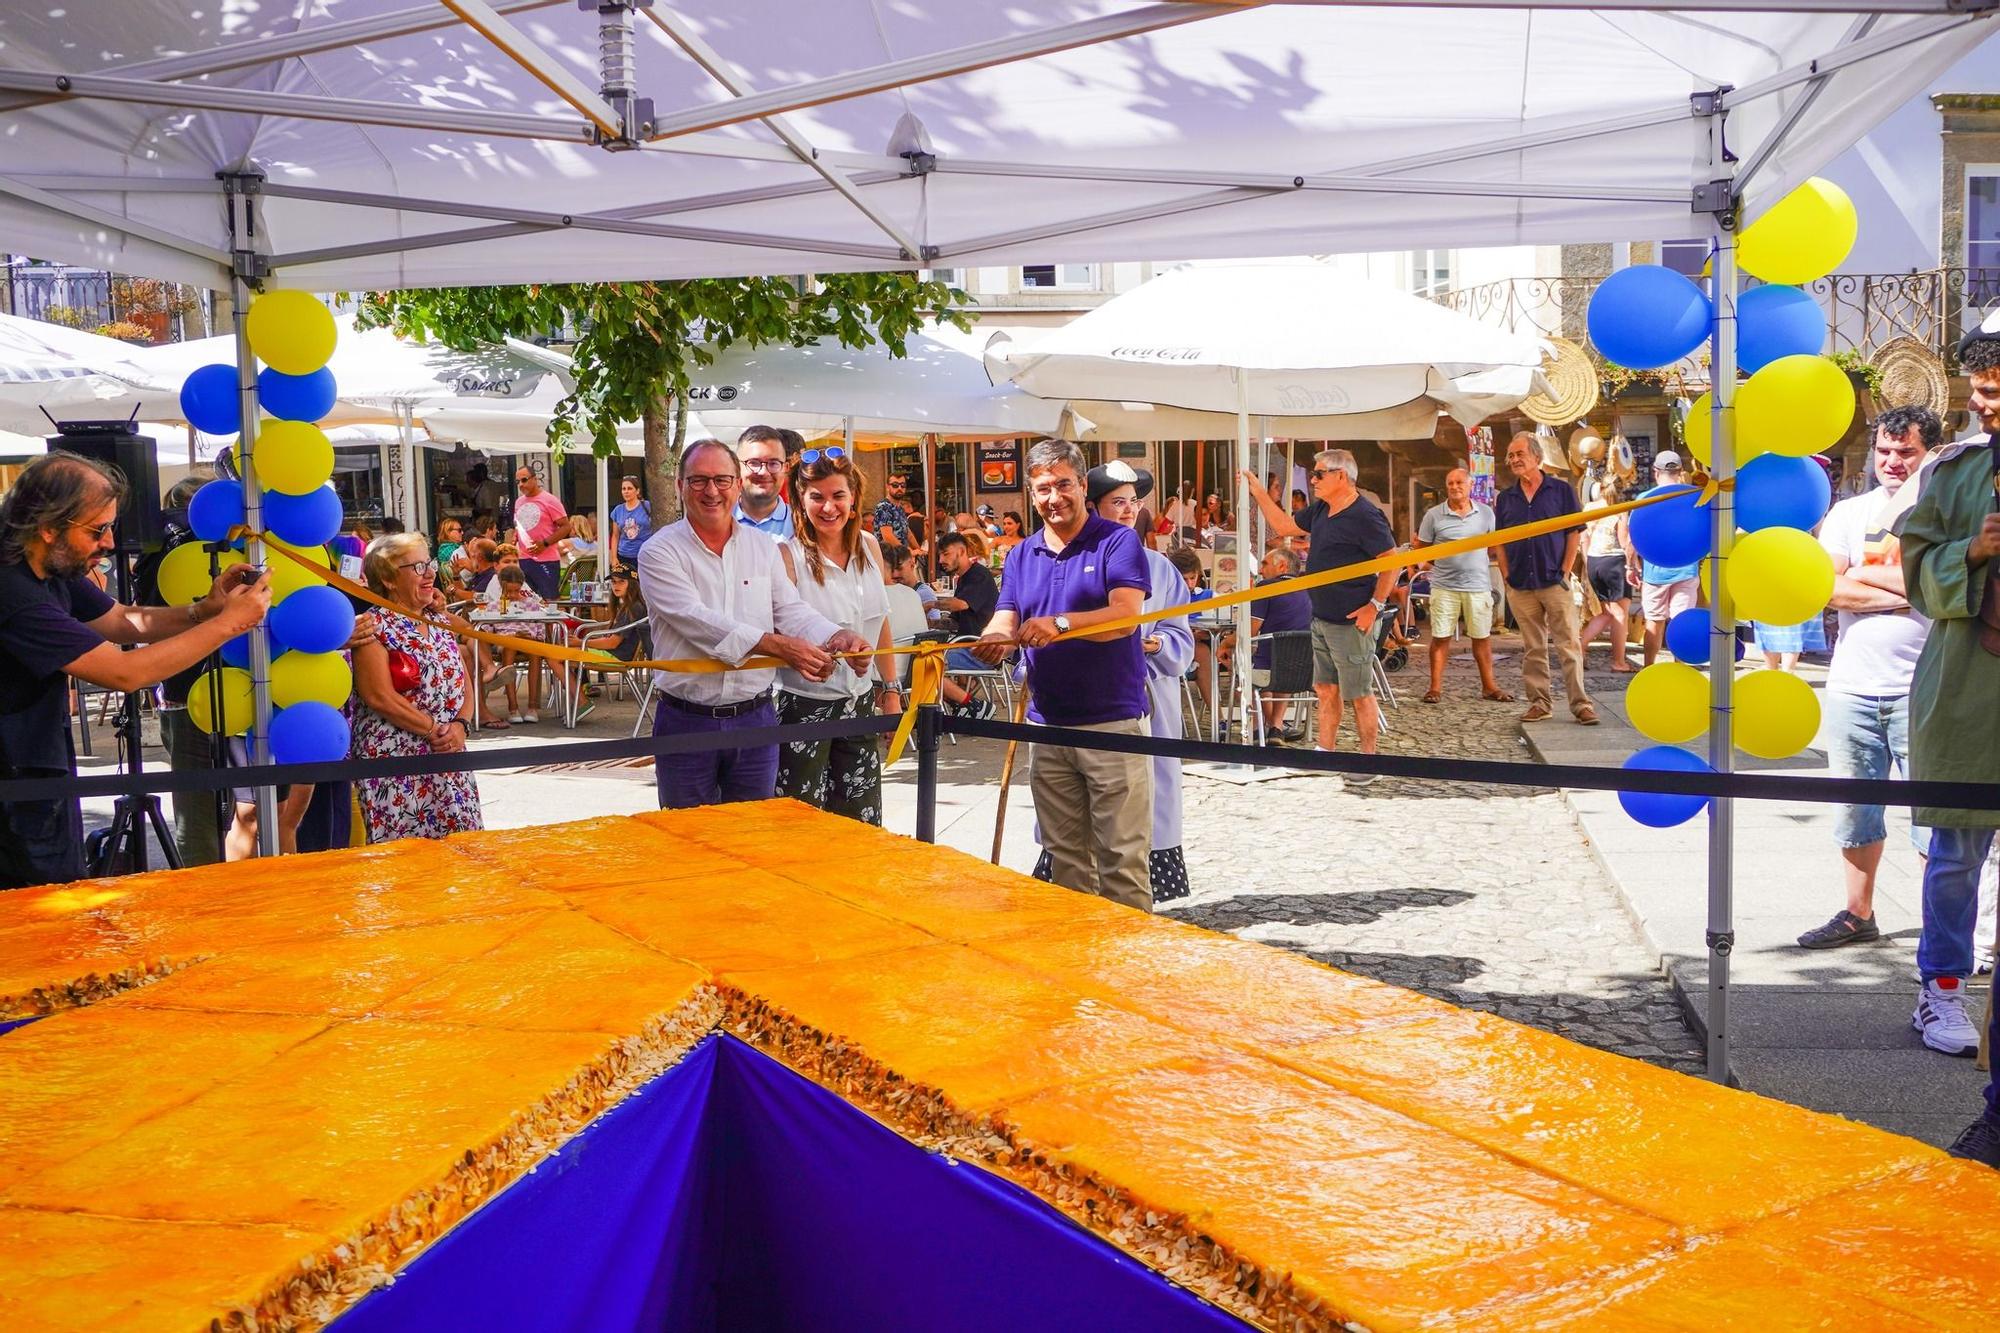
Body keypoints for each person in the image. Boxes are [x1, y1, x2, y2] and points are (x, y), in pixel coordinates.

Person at [0, 453, 270, 887]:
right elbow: (125, 672)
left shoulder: (50, 566)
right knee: (40, 910)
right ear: (48, 527)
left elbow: (123, 620)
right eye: (97, 529)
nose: (108, 543)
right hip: (15, 784)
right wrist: (230, 623)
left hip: (39, 767)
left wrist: (204, 609)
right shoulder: (14, 592)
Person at [637, 440, 867, 809]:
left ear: (737, 484)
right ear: (680, 484)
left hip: (755, 719)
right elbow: (695, 620)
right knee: (688, 841)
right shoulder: (659, 551)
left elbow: (789, 609)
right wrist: (778, 647)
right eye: (698, 480)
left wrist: (835, 635)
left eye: (722, 480)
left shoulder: (762, 547)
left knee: (756, 839)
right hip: (686, 720)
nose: (711, 491)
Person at [973, 439, 1152, 910]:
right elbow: (1006, 616)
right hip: (1046, 724)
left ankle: (1132, 971)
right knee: (1066, 860)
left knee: (1122, 860)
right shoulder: (1021, 553)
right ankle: (1078, 967)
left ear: (1082, 485)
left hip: (1112, 723)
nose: (1055, 498)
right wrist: (990, 639)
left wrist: (1061, 625)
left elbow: (1125, 617)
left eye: (1064, 485)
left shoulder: (1117, 539)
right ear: (1032, 495)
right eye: (1043, 489)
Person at [1898, 334, 2000, 1116]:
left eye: (1995, 387)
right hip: (1969, 685)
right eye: (1979, 387)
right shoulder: (1955, 470)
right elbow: (1915, 570)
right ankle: (1940, 987)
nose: (1984, 401)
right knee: (1958, 851)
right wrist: (1970, 548)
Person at [1797, 406, 1940, 954]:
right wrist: (1915, 591)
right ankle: (1859, 914)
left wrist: (1864, 576)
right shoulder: (1848, 513)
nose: (1892, 462)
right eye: (1884, 451)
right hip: (1854, 686)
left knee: (1933, 814)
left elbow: (1949, 583)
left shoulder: (1940, 512)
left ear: (1928, 453)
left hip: (1922, 688)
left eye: (1905, 452)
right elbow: (1826, 589)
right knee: (1857, 811)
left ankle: (1941, 925)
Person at [1037, 461, 1194, 901]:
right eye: (1117, 503)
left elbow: (1180, 635)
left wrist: (1156, 645)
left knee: (1133, 818)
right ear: (1094, 507)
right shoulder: (1065, 557)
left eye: (1133, 502)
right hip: (1072, 703)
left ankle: (1131, 905)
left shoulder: (1161, 568)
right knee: (1071, 824)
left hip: (1141, 701)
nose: (1128, 511)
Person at [1242, 451, 1397, 778]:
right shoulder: (1323, 509)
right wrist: (1258, 492)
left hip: (1351, 620)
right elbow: (1284, 525)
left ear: (1342, 476)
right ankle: (1325, 753)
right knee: (1326, 689)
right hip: (1322, 618)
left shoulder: (1365, 516)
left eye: (1320, 474)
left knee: (1359, 692)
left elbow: (1390, 560)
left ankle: (1369, 761)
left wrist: (1375, 606)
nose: (1312, 480)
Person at [774, 448, 899, 824]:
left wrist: (891, 690)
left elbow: (881, 622)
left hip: (859, 704)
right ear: (800, 500)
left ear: (854, 497)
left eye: (837, 496)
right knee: (801, 823)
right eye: (817, 497)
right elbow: (783, 628)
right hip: (802, 707)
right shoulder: (787, 556)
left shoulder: (869, 546)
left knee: (860, 823)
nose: (828, 507)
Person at [351, 533, 482, 843]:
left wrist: (460, 726)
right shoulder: (374, 626)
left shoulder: (438, 620)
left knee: (465, 852)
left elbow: (462, 680)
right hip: (398, 760)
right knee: (406, 861)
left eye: (430, 564)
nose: (430, 573)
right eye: (418, 566)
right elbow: (379, 696)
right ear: (389, 578)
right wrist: (436, 730)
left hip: (450, 755)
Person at [1494, 432, 1599, 725]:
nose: (1514, 460)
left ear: (1537, 458)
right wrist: (1506, 575)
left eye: (1519, 454)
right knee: (1533, 648)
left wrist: (1565, 571)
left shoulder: (1561, 490)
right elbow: (1500, 541)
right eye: (1511, 455)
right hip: (1521, 584)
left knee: (1568, 644)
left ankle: (1581, 705)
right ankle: (1540, 703)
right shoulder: (1506, 498)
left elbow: (1574, 532)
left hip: (1554, 581)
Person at [1412, 466, 1511, 704]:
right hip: (1444, 585)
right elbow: (1422, 548)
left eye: (1459, 483)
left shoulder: (1486, 513)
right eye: (1450, 484)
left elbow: (1494, 545)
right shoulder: (1434, 515)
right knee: (1440, 637)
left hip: (1478, 585)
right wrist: (1442, 564)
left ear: (1469, 486)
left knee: (1482, 637)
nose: (1455, 487)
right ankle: (1434, 688)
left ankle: (1489, 686)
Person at [1637, 450, 1701, 666]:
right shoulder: (1694, 496)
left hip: (1655, 570)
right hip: (1686, 567)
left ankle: (1648, 668)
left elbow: (1634, 537)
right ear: (1680, 472)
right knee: (1680, 621)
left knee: (1654, 621)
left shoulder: (1644, 499)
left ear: (1656, 472)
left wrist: (1631, 565)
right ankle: (1679, 667)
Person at [1244, 543, 1313, 739]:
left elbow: (1250, 630)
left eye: (1265, 564)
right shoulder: (1309, 589)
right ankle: (1276, 725)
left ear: (1282, 567)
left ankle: (1261, 725)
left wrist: (1226, 643)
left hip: (1267, 672)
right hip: (1303, 671)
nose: (1260, 569)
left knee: (1240, 662)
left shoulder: (1266, 587)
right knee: (1281, 660)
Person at [933, 530, 1001, 720]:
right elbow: (956, 619)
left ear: (962, 552)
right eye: (940, 555)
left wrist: (931, 603)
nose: (940, 560)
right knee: (924, 658)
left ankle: (973, 705)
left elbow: (961, 604)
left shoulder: (978, 574)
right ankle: (961, 705)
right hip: (966, 645)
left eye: (946, 554)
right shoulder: (963, 578)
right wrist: (930, 623)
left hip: (982, 650)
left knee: (928, 665)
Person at [1577, 479, 1636, 673]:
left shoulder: (1589, 507)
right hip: (1615, 563)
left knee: (1605, 613)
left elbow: (1583, 538)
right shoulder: (1620, 510)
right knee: (1620, 614)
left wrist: (1587, 563)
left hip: (1594, 562)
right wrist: (1633, 566)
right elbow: (1624, 540)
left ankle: (1580, 647)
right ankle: (1619, 662)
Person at [511, 465, 567, 600]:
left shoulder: (550, 500)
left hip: (546, 560)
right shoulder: (518, 502)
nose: (521, 484)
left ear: (535, 479)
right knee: (526, 602)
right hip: (524, 559)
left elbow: (566, 526)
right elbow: (520, 525)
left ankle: (554, 622)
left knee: (550, 602)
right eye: (517, 482)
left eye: (524, 480)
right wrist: (516, 535)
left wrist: (545, 543)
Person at [733, 425, 794, 539]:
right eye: (754, 463)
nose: (764, 472)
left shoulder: (802, 527)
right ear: (736, 467)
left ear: (785, 469)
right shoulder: (715, 521)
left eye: (774, 463)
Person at [610, 474, 653, 566]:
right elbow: (615, 535)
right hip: (624, 555)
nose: (626, 492)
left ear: (637, 491)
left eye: (629, 488)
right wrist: (614, 557)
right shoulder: (618, 510)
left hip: (644, 555)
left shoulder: (647, 506)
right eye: (623, 489)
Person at [872, 471, 914, 547]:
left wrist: (919, 550)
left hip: (901, 556)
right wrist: (908, 552)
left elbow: (908, 533)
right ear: (887, 487)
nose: (899, 488)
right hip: (888, 556)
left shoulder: (900, 508)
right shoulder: (884, 507)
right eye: (895, 485)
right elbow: (888, 537)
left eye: (903, 485)